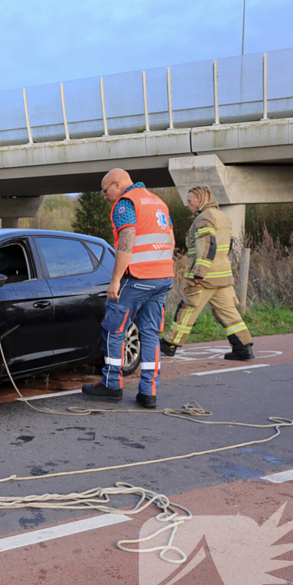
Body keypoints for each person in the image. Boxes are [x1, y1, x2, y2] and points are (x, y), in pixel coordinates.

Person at [82, 168, 175, 409]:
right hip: (163, 277)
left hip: (137, 278)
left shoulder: (126, 203)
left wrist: (115, 280)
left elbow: (127, 241)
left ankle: (112, 384)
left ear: (117, 184)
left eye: (105, 191)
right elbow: (171, 241)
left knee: (114, 329)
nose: (105, 196)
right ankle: (148, 392)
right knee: (150, 333)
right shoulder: (158, 202)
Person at [160, 187, 254, 361]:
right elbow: (229, 244)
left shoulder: (204, 218)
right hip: (222, 274)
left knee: (187, 307)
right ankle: (243, 347)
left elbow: (208, 246)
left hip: (205, 277)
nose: (187, 204)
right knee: (228, 312)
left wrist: (199, 274)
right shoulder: (223, 216)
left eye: (190, 201)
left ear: (200, 199)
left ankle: (170, 343)